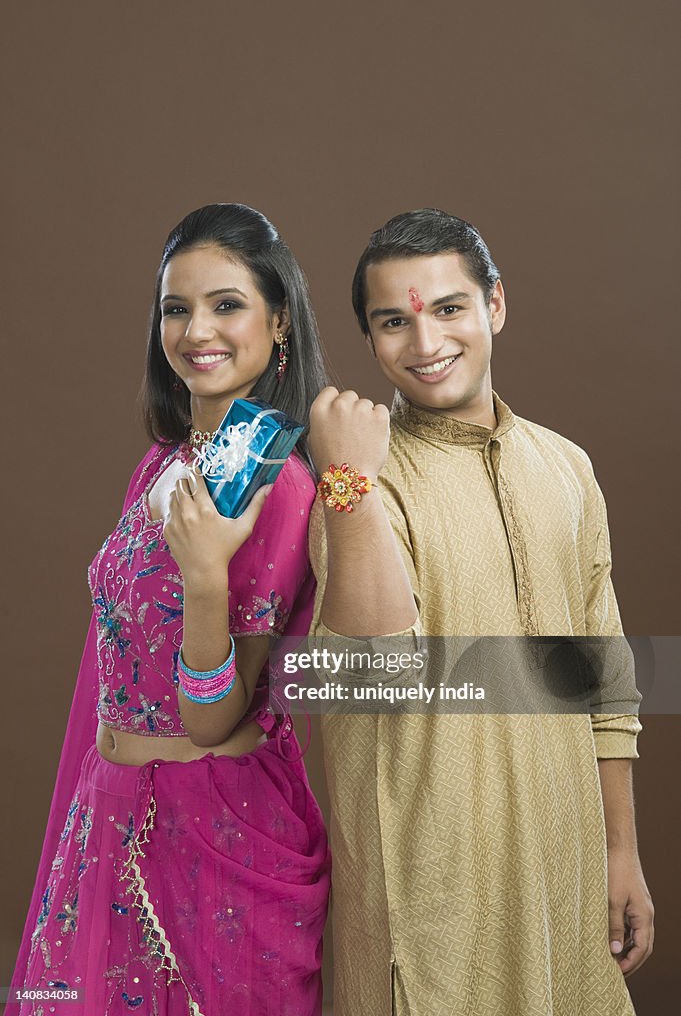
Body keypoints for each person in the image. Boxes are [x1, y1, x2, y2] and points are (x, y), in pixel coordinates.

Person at [307, 209, 653, 1015]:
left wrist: (620, 852)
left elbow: (604, 674)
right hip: (431, 899)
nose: (424, 343)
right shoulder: (361, 481)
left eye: (448, 308)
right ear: (370, 338)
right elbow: (372, 675)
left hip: (561, 877)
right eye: (394, 321)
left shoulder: (564, 468)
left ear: (494, 304)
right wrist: (347, 485)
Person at [10, 204, 331, 1016]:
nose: (197, 330)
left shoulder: (278, 488)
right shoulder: (166, 460)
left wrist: (206, 579)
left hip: (213, 830)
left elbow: (213, 721)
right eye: (176, 308)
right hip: (109, 807)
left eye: (226, 304)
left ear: (279, 318)